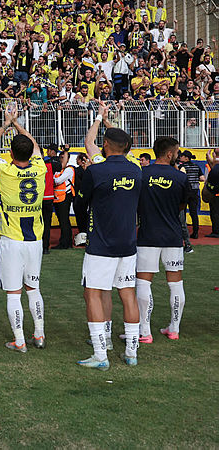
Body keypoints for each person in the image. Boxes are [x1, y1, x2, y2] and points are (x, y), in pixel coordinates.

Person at [78, 105, 142, 370]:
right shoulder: (137, 169)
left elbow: (88, 142)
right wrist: (109, 120)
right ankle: (131, 352)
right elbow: (98, 143)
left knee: (93, 292)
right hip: (128, 243)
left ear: (105, 145)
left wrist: (98, 116)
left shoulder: (96, 170)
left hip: (101, 244)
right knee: (127, 294)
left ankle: (100, 353)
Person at [0, 107, 47, 352]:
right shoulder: (40, 167)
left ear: (10, 152)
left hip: (12, 240)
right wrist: (18, 124)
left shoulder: (5, 170)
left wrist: (6, 123)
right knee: (34, 289)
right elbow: (36, 147)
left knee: (13, 293)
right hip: (35, 240)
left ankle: (19, 340)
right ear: (31, 153)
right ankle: (39, 335)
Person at [136, 136, 190, 343]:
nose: (177, 155)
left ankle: (145, 331)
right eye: (176, 152)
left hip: (148, 234)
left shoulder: (143, 174)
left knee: (143, 281)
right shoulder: (180, 177)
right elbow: (183, 205)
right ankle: (174, 329)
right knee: (175, 283)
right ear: (169, 154)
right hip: (172, 235)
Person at [177, 151, 204, 239]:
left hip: (185, 192)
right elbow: (202, 178)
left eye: (182, 156)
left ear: (186, 158)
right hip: (194, 192)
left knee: (182, 212)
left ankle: (183, 232)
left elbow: (180, 177)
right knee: (193, 213)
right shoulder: (197, 166)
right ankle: (195, 232)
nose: (180, 157)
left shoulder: (182, 166)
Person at [52, 150, 75, 250]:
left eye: (63, 158)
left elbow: (57, 181)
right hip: (58, 198)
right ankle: (66, 242)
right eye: (60, 158)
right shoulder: (59, 170)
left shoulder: (69, 170)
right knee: (62, 221)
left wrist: (52, 179)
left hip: (65, 197)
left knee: (64, 220)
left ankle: (65, 243)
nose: (61, 160)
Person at [72, 153, 90, 246]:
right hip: (85, 197)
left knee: (81, 215)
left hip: (80, 197)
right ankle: (83, 233)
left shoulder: (78, 170)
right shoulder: (89, 170)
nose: (76, 161)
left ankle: (83, 233)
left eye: (77, 159)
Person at [204, 149, 219, 238]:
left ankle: (216, 231)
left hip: (213, 192)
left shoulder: (210, 165)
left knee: (214, 212)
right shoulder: (210, 164)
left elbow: (207, 178)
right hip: (213, 192)